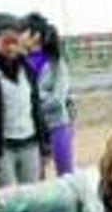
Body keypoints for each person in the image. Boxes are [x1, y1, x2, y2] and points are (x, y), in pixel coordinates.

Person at [0, 13, 50, 188]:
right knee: (9, 202)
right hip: (2, 150)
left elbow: (36, 107)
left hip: (30, 144)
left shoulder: (28, 69)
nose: (12, 47)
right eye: (6, 42)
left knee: (33, 198)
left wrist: (45, 145)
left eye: (16, 42)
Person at [21, 12, 77, 176]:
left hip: (57, 125)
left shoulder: (56, 63)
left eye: (23, 31)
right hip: (32, 130)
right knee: (35, 179)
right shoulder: (20, 63)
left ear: (36, 35)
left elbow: (58, 98)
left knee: (66, 176)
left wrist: (32, 102)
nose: (20, 36)